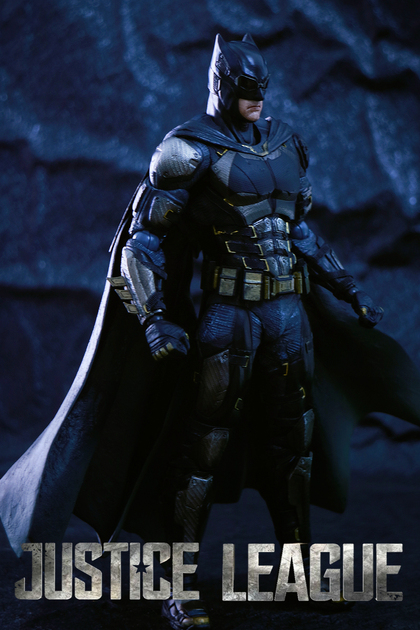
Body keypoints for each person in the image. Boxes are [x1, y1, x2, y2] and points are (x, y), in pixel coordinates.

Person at [118, 33, 383, 628]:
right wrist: (155, 316)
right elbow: (144, 242)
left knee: (294, 447)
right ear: (220, 85)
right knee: (203, 449)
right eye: (244, 89)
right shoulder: (186, 151)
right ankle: (178, 585)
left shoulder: (286, 142)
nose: (256, 99)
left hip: (288, 315)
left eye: (261, 89)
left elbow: (298, 231)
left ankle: (297, 577)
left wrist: (348, 288)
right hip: (229, 316)